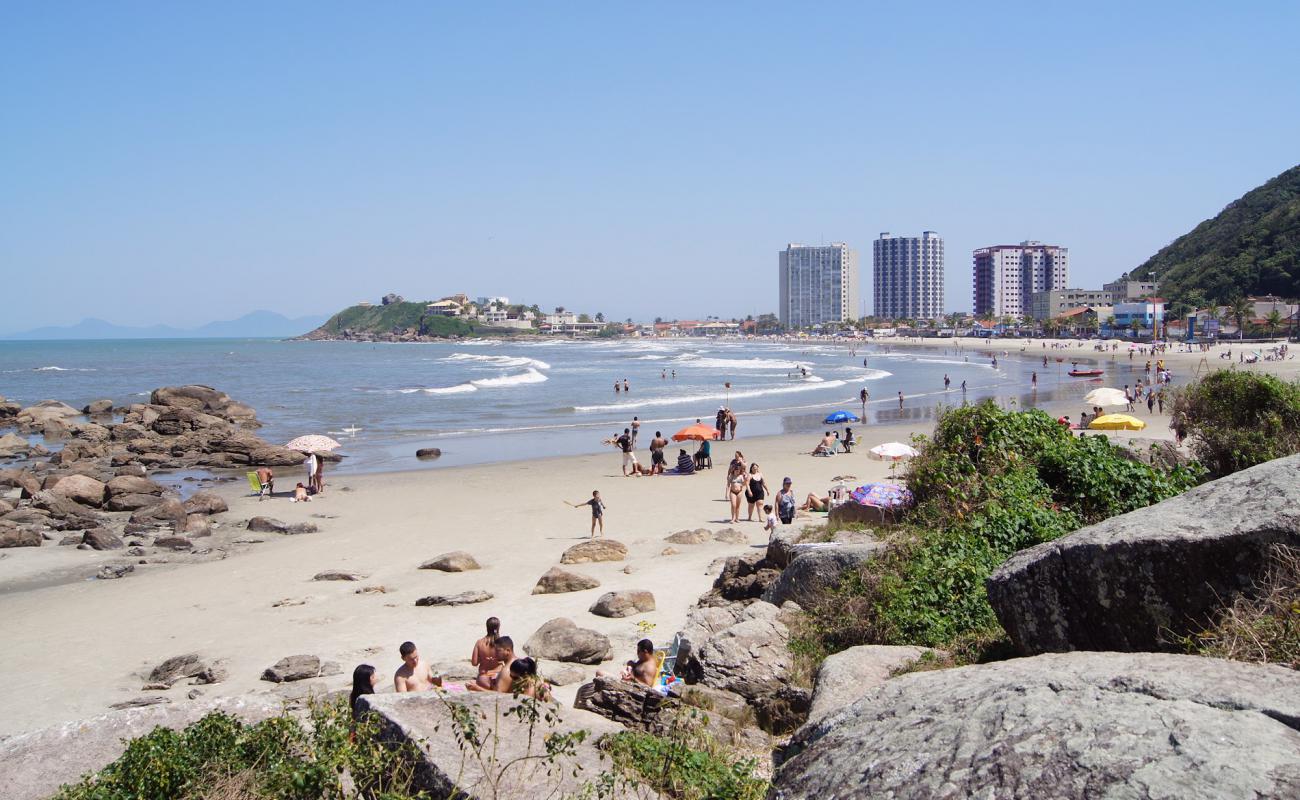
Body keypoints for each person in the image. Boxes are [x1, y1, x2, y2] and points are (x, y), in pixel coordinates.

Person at [471, 617, 503, 689]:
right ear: (498, 627)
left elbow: (474, 663)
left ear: (487, 627)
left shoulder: (479, 642)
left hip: (483, 676)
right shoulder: (502, 643)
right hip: (498, 675)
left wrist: (482, 658)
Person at [726, 458, 746, 523]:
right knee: (733, 505)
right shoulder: (731, 476)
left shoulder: (741, 477)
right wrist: (726, 494)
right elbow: (728, 485)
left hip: (739, 492)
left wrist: (745, 478)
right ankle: (733, 518)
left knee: (738, 506)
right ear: (734, 470)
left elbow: (744, 484)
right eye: (736, 470)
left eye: (738, 470)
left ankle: (737, 518)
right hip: (733, 492)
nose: (737, 471)